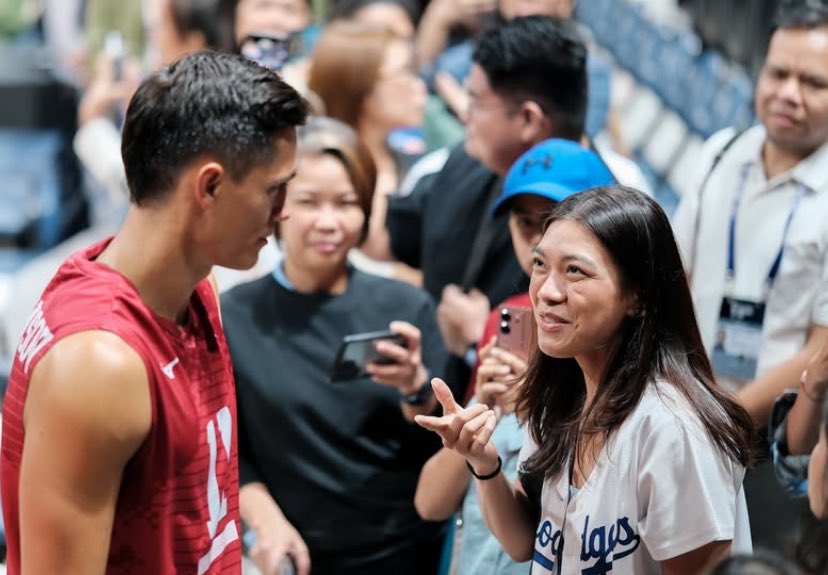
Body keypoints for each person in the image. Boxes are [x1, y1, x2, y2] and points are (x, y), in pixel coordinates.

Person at [0, 51, 308, 574]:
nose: (284, 211)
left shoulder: (193, 285)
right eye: (273, 189)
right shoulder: (97, 363)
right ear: (209, 187)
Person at [417, 185, 756, 574]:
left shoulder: (673, 428)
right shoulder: (561, 394)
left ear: (638, 296)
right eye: (541, 265)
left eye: (575, 272)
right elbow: (523, 541)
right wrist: (484, 461)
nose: (547, 291)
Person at [220, 116, 447, 575]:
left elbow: (445, 452)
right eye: (308, 202)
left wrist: (415, 389)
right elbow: (228, 451)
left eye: (345, 203)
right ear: (276, 207)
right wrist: (264, 521)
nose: (328, 222)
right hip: (294, 558)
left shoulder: (407, 306)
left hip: (405, 553)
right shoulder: (233, 316)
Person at [386, 15, 647, 398]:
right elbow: (394, 235)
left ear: (528, 118)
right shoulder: (468, 159)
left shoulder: (615, 221)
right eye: (522, 222)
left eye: (475, 101)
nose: (464, 114)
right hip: (442, 415)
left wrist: (485, 337)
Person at [414, 138, 615, 575]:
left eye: (552, 220)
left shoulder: (616, 349)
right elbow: (430, 503)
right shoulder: (507, 321)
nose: (537, 240)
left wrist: (541, 404)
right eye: (523, 223)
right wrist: (483, 409)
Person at [671, 4, 828, 551]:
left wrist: (722, 417)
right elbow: (676, 282)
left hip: (774, 444)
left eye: (814, 83)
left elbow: (822, 350)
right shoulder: (720, 155)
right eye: (778, 73)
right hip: (689, 418)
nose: (789, 93)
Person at [307, 20, 427, 269]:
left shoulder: (412, 162)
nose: (419, 87)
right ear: (363, 90)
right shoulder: (311, 172)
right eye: (404, 73)